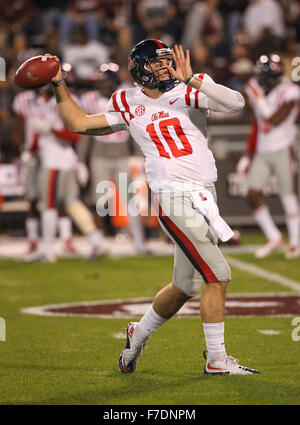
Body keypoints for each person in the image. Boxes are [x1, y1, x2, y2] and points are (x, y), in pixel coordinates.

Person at [46, 39, 259, 375]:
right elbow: (80, 124)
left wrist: (195, 80)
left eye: (165, 61)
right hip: (172, 194)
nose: (163, 67)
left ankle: (138, 333)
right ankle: (217, 360)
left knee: (186, 286)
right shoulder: (127, 101)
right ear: (138, 69)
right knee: (218, 275)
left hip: (204, 194)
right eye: (156, 63)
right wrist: (58, 83)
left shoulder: (188, 88)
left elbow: (236, 102)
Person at [24, 86, 104, 262]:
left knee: (49, 205)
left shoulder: (57, 104)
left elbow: (75, 134)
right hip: (63, 161)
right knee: (71, 203)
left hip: (55, 163)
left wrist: (51, 131)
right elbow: (41, 135)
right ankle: (96, 241)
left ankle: (48, 250)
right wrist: (30, 151)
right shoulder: (45, 104)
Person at [237, 53, 300, 259]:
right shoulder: (262, 94)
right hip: (263, 152)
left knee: (288, 197)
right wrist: (247, 156)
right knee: (251, 193)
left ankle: (295, 243)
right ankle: (274, 237)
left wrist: (258, 98)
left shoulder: (290, 91)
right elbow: (256, 124)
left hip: (283, 148)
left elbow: (276, 119)